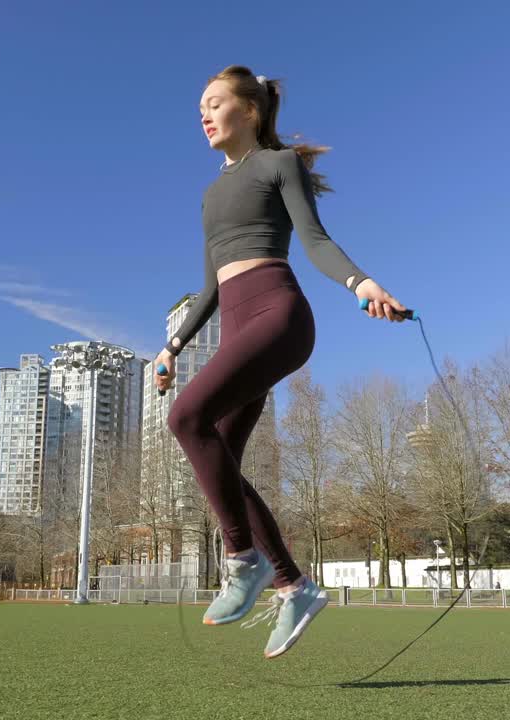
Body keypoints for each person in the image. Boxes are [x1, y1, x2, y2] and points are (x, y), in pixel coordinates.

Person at [156, 65, 407, 659]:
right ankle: (294, 586)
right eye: (200, 107)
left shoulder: (278, 164)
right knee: (221, 459)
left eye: (214, 103)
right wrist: (172, 346)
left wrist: (361, 284)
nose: (203, 114)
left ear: (250, 110)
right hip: (236, 328)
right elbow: (210, 286)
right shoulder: (211, 195)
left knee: (185, 418)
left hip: (279, 316)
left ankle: (244, 561)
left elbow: (315, 239)